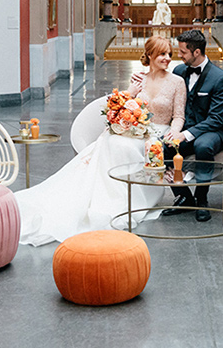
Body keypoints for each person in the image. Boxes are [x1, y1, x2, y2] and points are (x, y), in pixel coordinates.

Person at [13, 36, 185, 246]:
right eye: (162, 54)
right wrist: (131, 92)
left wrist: (174, 132)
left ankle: (129, 199)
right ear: (150, 55)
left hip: (158, 132)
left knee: (123, 145)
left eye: (169, 54)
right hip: (134, 128)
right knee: (113, 141)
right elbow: (122, 107)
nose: (167, 58)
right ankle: (104, 196)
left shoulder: (177, 82)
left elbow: (179, 116)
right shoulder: (139, 78)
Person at [158, 29, 223, 222]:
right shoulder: (179, 71)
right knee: (163, 146)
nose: (179, 55)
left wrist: (187, 134)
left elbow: (216, 118)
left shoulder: (220, 77)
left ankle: (202, 200)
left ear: (197, 52)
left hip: (213, 129)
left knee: (203, 146)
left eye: (183, 52)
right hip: (186, 127)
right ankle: (184, 197)